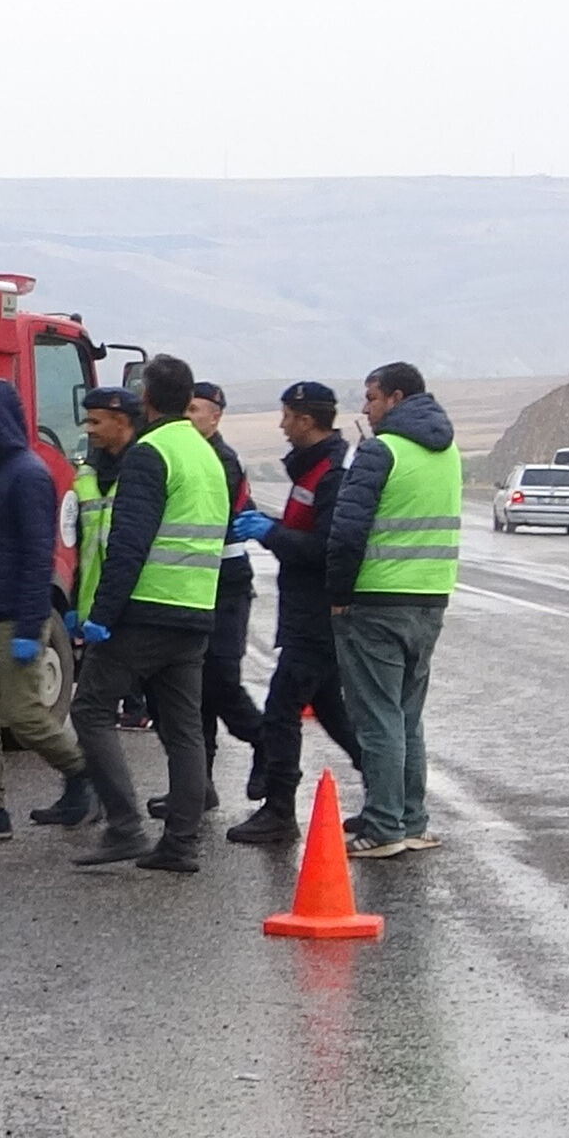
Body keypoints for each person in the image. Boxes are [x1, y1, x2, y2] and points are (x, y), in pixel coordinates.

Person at [69, 354, 227, 873]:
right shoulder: (205, 455)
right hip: (195, 608)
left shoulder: (150, 453)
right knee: (184, 731)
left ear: (147, 399)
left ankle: (125, 827)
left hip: (145, 609)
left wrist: (102, 614)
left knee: (91, 709)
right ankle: (180, 845)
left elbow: (129, 544)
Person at [0, 379, 91, 841]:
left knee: (24, 717)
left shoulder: (28, 475)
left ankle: (86, 776)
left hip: (11, 621)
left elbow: (37, 558)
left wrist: (30, 627)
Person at [325, 361, 460, 859]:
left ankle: (383, 827)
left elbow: (348, 530)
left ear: (396, 398)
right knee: (407, 716)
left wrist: (338, 593)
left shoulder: (381, 451)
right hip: (430, 598)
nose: (366, 408)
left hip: (377, 600)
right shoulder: (448, 452)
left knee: (378, 717)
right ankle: (411, 820)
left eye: (372, 397)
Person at [225, 381, 367, 843]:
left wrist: (270, 533)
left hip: (317, 615)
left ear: (306, 420)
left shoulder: (331, 474)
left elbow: (326, 548)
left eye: (287, 416)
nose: (282, 426)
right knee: (332, 711)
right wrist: (272, 528)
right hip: (307, 611)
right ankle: (388, 791)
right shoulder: (312, 468)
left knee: (282, 708)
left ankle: (279, 810)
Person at [149, 382, 265, 817]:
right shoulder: (192, 453)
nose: (189, 415)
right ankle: (198, 787)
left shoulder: (220, 459)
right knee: (192, 693)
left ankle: (266, 744)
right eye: (186, 408)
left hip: (226, 585)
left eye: (196, 409)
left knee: (221, 683)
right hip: (198, 583)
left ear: (216, 416)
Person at [29, 384, 139, 828]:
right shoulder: (87, 477)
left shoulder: (144, 471)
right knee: (96, 711)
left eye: (96, 421)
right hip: (98, 614)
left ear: (123, 422)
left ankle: (110, 807)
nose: (87, 429)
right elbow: (78, 545)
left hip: (134, 611)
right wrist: (76, 604)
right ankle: (93, 800)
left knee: (95, 711)